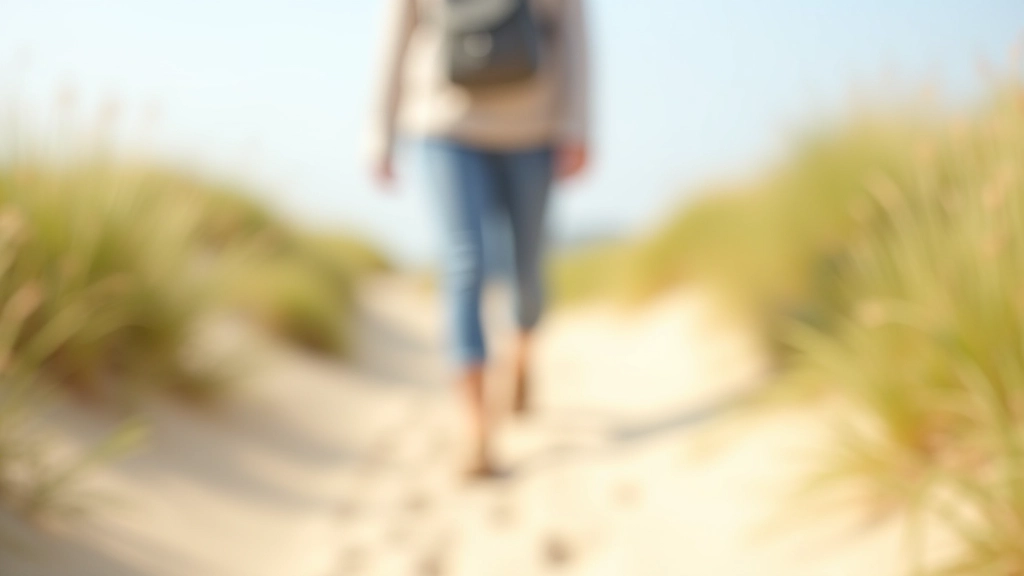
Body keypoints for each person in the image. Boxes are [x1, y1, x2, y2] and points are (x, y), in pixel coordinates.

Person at [368, 0, 590, 477]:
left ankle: (523, 355)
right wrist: (379, 133)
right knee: (464, 263)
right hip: (444, 124)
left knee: (528, 269)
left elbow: (574, 32)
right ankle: (476, 427)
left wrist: (578, 126)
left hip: (534, 128)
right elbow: (397, 33)